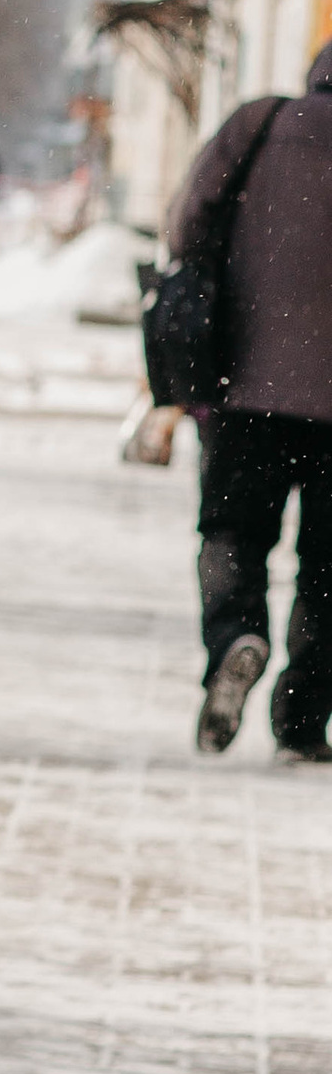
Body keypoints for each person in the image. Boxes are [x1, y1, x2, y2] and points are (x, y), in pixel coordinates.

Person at [165, 43, 332, 765]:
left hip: (248, 385)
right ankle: (301, 722)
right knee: (328, 569)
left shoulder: (259, 124)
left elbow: (186, 223)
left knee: (233, 532)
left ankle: (234, 636)